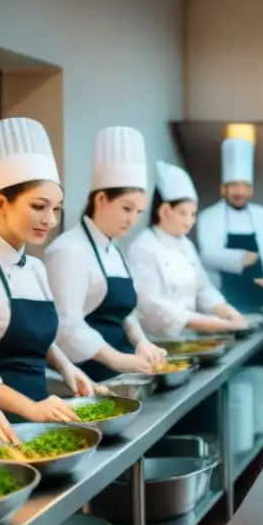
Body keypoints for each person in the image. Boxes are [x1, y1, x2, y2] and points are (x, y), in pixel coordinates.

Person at [0, 118, 91, 423]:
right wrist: (29, 408)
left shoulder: (36, 267)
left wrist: (67, 368)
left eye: (56, 208)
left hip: (40, 422)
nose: (50, 220)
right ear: (1, 203)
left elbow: (37, 336)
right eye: (39, 206)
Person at [45, 127, 167, 382]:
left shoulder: (113, 250)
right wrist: (117, 359)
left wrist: (142, 342)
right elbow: (66, 326)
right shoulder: (68, 250)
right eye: (126, 208)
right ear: (101, 199)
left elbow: (124, 313)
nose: (132, 220)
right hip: (90, 377)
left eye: (139, 213)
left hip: (121, 375)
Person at [129, 161, 250, 337]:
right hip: (157, 344)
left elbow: (202, 288)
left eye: (193, 214)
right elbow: (151, 305)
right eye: (183, 213)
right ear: (164, 211)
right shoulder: (143, 246)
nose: (189, 222)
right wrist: (209, 323)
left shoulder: (185, 244)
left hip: (189, 339)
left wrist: (226, 311)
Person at [197, 137, 263, 314]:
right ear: (223, 189)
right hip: (227, 300)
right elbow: (206, 255)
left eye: (244, 186)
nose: (239, 192)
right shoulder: (208, 216)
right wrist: (240, 258)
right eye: (233, 186)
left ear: (251, 189)